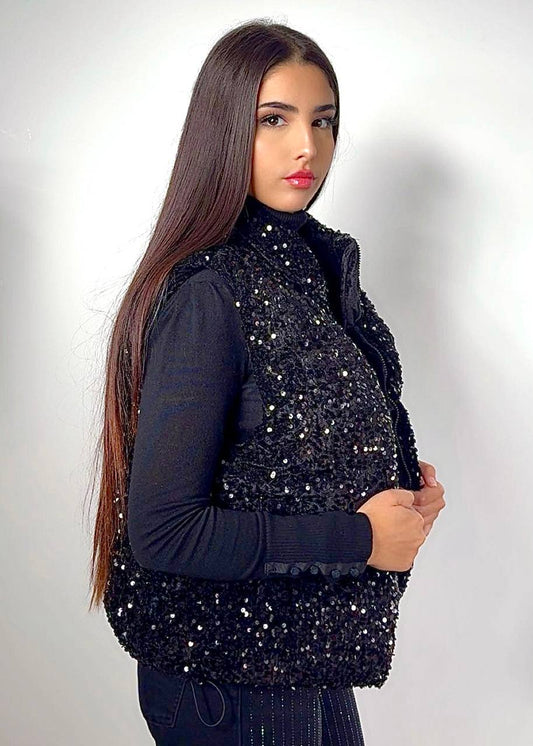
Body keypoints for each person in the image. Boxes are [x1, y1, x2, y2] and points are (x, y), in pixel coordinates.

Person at [87, 19, 446, 745]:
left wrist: (402, 495)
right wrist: (360, 537)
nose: (306, 146)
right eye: (273, 120)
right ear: (223, 132)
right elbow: (164, 532)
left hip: (301, 656)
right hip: (228, 673)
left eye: (323, 121)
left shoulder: (313, 275)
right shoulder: (212, 294)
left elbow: (286, 449)